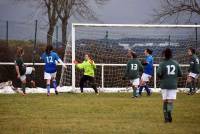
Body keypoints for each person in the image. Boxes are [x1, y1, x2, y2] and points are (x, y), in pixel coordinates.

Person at [157, 48, 182, 123]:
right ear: (171, 54)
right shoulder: (175, 63)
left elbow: (158, 73)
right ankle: (169, 115)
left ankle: (166, 118)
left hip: (164, 84)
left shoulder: (162, 63)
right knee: (170, 101)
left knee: (165, 101)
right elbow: (180, 74)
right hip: (173, 84)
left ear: (164, 54)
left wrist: (162, 77)